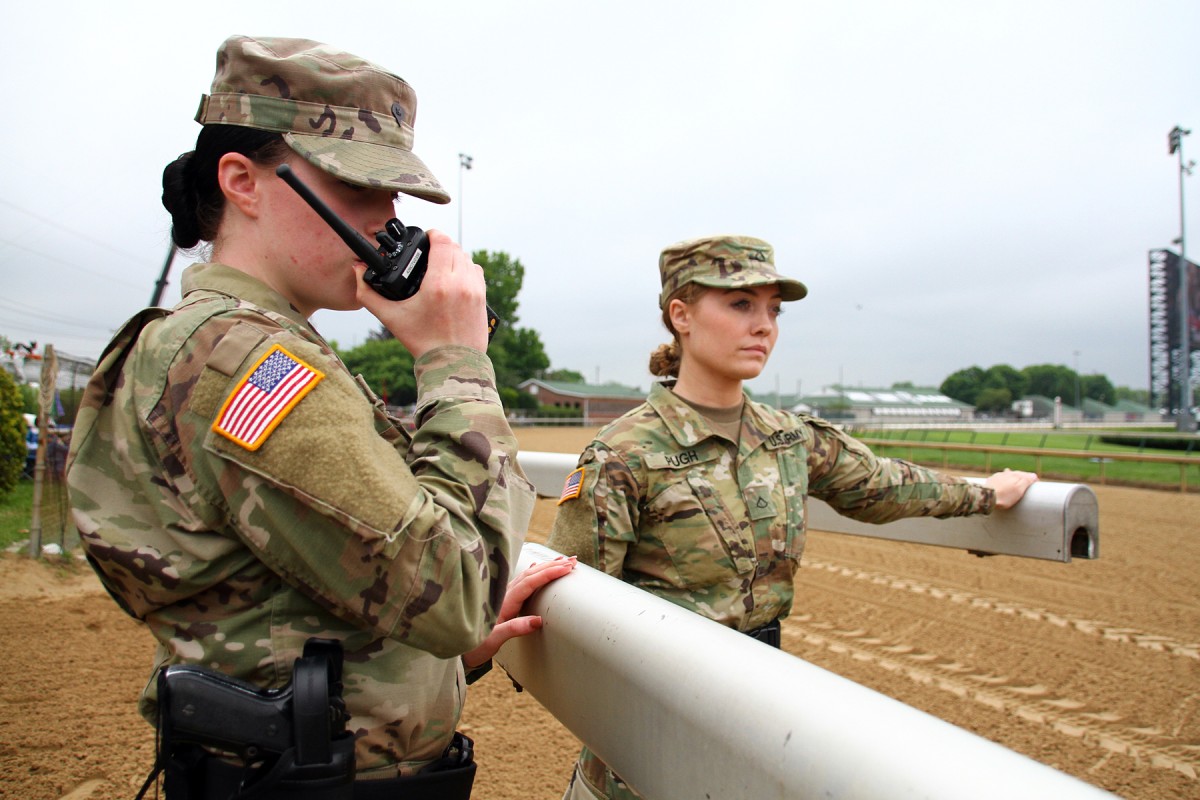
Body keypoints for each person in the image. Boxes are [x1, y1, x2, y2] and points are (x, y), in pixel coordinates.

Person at [66, 35, 573, 797]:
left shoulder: (240, 345)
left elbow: (282, 595)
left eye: (396, 196)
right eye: (356, 188)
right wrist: (455, 360)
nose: (387, 221)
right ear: (242, 181)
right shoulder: (245, 361)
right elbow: (456, 592)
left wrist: (425, 658)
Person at [546, 234, 1038, 800]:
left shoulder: (787, 437)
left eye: (773, 310)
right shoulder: (624, 453)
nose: (764, 326)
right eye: (740, 305)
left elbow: (881, 487)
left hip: (758, 713)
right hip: (648, 735)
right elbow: (576, 608)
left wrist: (984, 494)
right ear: (680, 315)